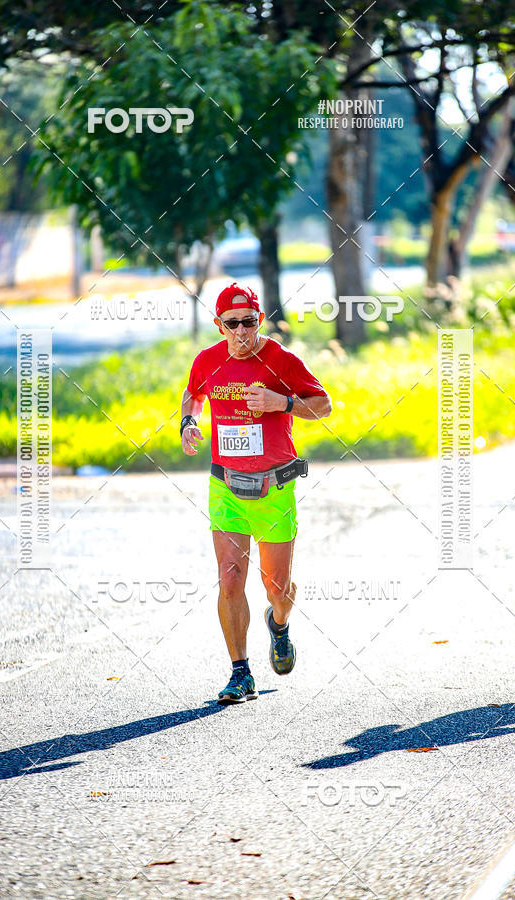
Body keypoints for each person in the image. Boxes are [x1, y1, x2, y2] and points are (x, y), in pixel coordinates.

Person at [180, 282, 332, 704]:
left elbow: (323, 405)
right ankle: (240, 672)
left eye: (249, 322)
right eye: (232, 324)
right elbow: (192, 395)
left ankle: (279, 624)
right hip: (225, 486)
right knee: (230, 579)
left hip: (274, 488)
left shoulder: (281, 360)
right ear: (219, 325)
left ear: (259, 320)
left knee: (276, 587)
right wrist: (188, 424)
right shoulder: (207, 361)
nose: (242, 331)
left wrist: (280, 403)